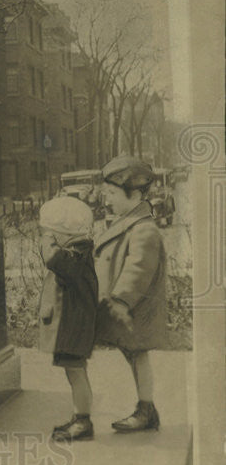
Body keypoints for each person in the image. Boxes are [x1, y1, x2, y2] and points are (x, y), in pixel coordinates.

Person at [95, 155, 167, 432]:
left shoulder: (144, 229)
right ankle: (145, 407)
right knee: (133, 356)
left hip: (134, 310)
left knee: (138, 356)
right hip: (128, 310)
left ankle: (146, 409)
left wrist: (121, 300)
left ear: (134, 193)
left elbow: (138, 269)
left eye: (112, 193)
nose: (107, 200)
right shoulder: (129, 222)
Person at [37, 196, 98, 441]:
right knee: (73, 372)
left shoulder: (76, 254)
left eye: (53, 234)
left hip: (74, 325)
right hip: (73, 324)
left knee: (76, 371)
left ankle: (83, 421)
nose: (49, 238)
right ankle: (79, 416)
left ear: (64, 233)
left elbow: (52, 259)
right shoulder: (76, 252)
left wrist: (47, 240)